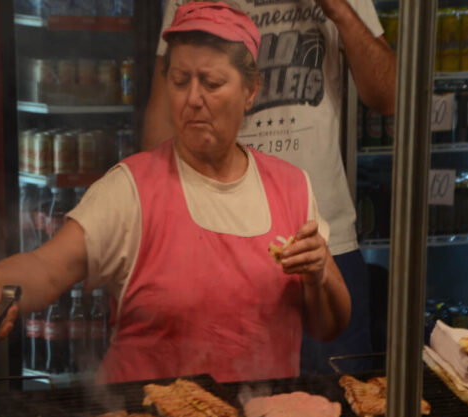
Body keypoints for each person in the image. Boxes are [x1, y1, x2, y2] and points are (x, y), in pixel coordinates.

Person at [0, 2, 351, 384]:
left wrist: (318, 276)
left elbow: (328, 325)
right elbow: (47, 269)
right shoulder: (132, 189)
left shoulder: (291, 188)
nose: (192, 99)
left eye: (212, 83)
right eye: (180, 81)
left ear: (251, 91)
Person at [143, 0, 396, 375]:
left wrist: (339, 9)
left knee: (343, 409)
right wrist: (156, 229)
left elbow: (390, 94)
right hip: (218, 242)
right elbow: (164, 112)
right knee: (228, 407)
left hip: (324, 239)